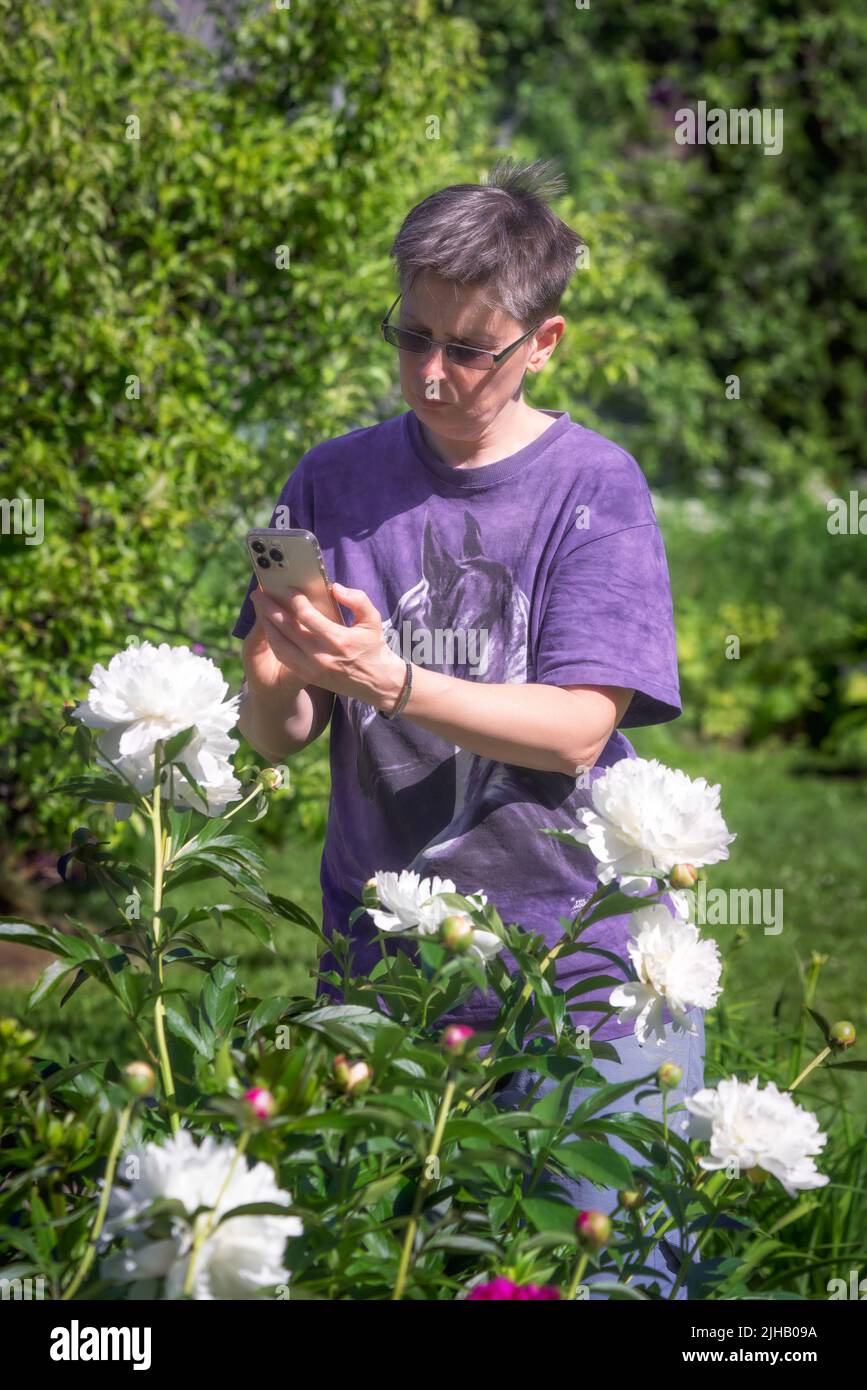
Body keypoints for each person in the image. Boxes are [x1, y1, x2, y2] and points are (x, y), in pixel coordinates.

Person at [231, 158, 705, 1297]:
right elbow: (281, 736)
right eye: (411, 337)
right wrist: (272, 671)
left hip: (589, 970)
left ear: (543, 343)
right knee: (395, 1275)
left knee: (629, 1279)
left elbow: (579, 729)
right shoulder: (332, 480)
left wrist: (389, 679)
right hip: (390, 971)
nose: (430, 373)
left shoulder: (597, 485)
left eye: (469, 348)